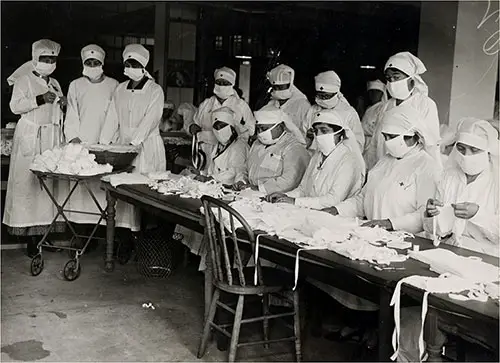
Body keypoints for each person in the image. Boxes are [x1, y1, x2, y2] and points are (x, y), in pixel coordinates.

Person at [319, 106, 441, 345]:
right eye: (385, 137)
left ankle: (380, 340)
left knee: (386, 298)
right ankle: (364, 329)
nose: (387, 143)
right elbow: (362, 199)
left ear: (412, 137)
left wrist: (389, 223)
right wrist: (337, 210)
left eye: (392, 137)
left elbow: (424, 214)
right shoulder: (384, 162)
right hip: (373, 238)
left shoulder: (426, 167)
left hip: (405, 245)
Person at [4, 39, 67, 257]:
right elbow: (15, 106)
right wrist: (39, 99)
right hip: (31, 136)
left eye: (53, 59)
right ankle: (31, 239)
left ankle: (44, 235)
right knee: (29, 187)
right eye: (45, 59)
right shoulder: (24, 80)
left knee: (47, 190)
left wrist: (62, 104)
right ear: (35, 60)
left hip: (50, 138)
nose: (49, 63)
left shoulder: (56, 83)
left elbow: (56, 109)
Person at [99, 44, 166, 231]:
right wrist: (105, 144)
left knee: (144, 191)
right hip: (123, 146)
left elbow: (151, 119)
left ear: (144, 66)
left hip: (146, 145)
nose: (130, 67)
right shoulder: (120, 89)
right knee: (123, 192)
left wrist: (134, 143)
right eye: (127, 64)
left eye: (134, 64)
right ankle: (125, 236)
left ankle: (144, 236)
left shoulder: (154, 90)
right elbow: (112, 117)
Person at [176, 107, 249, 269]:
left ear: (231, 126)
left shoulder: (239, 147)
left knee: (210, 222)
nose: (218, 130)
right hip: (214, 190)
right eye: (215, 127)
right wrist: (201, 173)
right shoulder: (218, 145)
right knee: (191, 214)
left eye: (222, 126)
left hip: (229, 193)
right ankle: (193, 256)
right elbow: (211, 168)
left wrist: (211, 178)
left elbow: (236, 171)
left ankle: (213, 267)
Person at [424, 117, 499, 256]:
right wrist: (432, 214)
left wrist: (477, 214)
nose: (466, 156)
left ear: (488, 152)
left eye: (474, 150)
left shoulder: (496, 182)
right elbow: (437, 230)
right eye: (461, 149)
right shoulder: (449, 177)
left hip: (485, 257)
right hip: (449, 251)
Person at [63, 44, 119, 227]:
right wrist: (74, 137)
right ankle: (82, 231)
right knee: (82, 190)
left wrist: (108, 139)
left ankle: (102, 229)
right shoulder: (75, 85)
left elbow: (115, 114)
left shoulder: (114, 85)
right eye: (89, 62)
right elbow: (71, 113)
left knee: (102, 189)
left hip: (105, 142)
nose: (92, 65)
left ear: (102, 63)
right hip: (82, 142)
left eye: (96, 62)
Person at [266, 109, 365, 210]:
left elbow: (334, 199)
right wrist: (284, 196)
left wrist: (295, 201)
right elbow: (303, 189)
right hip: (310, 211)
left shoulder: (349, 160)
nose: (319, 135)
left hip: (333, 217)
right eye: (316, 131)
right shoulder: (317, 156)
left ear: (339, 133)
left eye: (324, 130)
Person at [363, 52, 441, 170]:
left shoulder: (425, 104)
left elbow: (431, 144)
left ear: (411, 80)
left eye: (396, 77)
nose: (392, 82)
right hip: (383, 165)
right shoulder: (386, 106)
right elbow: (376, 141)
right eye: (389, 78)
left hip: (410, 168)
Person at [232, 105, 310, 194]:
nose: (260, 133)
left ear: (279, 127)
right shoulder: (257, 144)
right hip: (251, 193)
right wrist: (241, 181)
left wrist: (259, 188)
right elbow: (246, 168)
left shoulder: (294, 148)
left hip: (276, 197)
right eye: (258, 129)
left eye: (264, 129)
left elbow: (290, 180)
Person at [189, 67, 255, 171]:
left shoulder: (240, 105)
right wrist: (192, 127)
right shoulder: (206, 104)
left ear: (232, 84)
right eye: (219, 82)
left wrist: (234, 132)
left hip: (230, 152)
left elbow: (251, 130)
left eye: (225, 83)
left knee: (224, 177)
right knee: (204, 178)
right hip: (206, 150)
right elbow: (195, 123)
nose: (221, 86)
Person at [303, 71, 365, 151]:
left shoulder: (348, 112)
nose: (323, 99)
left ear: (336, 93)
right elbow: (301, 138)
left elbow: (358, 143)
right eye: (320, 95)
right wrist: (309, 137)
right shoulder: (312, 110)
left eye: (327, 96)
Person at [261, 64, 310, 142]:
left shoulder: (302, 105)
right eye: (275, 87)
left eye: (280, 87)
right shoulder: (271, 104)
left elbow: (308, 133)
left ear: (289, 85)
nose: (277, 90)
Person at [361, 79, 387, 150]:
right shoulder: (369, 108)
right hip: (365, 145)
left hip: (374, 146)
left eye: (377, 92)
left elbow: (378, 129)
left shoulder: (383, 108)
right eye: (371, 92)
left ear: (382, 93)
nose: (373, 95)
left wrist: (360, 127)